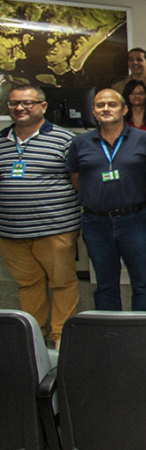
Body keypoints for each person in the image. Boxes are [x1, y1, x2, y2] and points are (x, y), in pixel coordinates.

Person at [0, 86, 81, 349]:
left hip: (55, 229)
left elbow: (76, 181)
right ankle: (33, 339)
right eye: (13, 104)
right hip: (11, 233)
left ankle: (59, 340)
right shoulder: (1, 140)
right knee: (28, 285)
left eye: (27, 103)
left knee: (63, 284)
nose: (19, 108)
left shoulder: (64, 139)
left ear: (43, 107)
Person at [67, 89, 146, 311]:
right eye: (100, 105)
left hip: (135, 220)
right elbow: (76, 179)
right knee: (105, 284)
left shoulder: (143, 139)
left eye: (112, 104)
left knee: (142, 282)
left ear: (124, 109)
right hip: (96, 223)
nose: (105, 109)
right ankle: (110, 335)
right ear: (94, 112)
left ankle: (144, 334)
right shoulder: (80, 142)